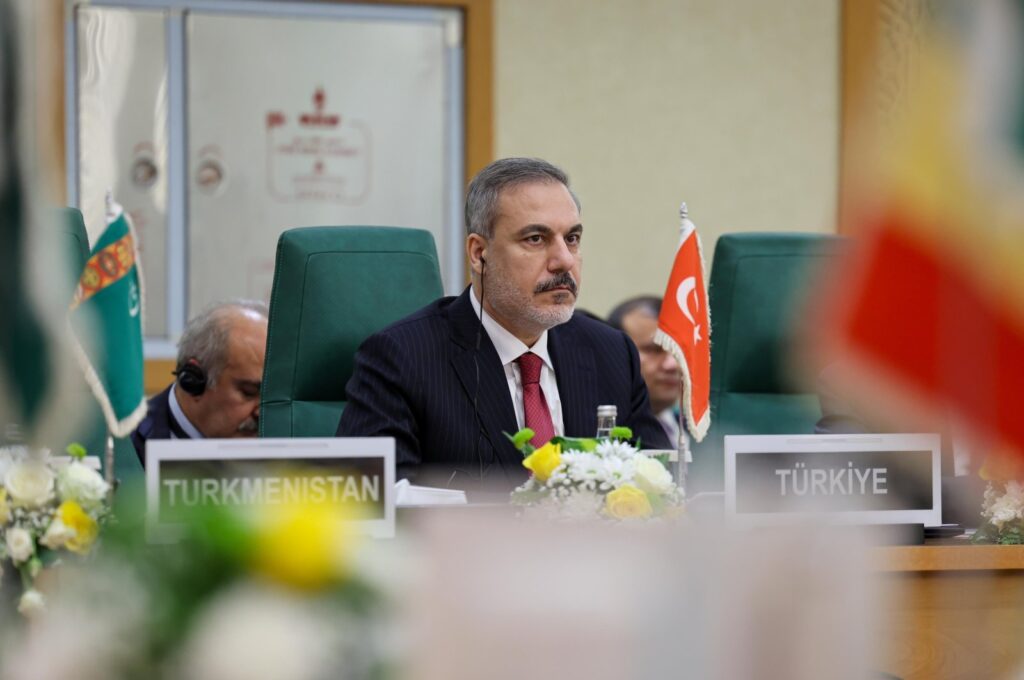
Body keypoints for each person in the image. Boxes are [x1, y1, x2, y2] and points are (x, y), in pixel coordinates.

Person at [337, 157, 669, 488]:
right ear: (479, 253)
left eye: (572, 238)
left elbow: (659, 490)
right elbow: (375, 507)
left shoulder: (610, 352)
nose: (564, 261)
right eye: (536, 239)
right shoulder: (403, 357)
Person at [130, 300, 268, 464]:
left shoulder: (293, 449)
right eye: (249, 392)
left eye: (272, 396)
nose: (263, 412)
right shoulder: (126, 447)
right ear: (193, 381)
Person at [607, 296, 681, 447]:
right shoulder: (604, 437)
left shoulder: (697, 433)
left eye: (677, 351)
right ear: (616, 353)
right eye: (653, 350)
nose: (672, 364)